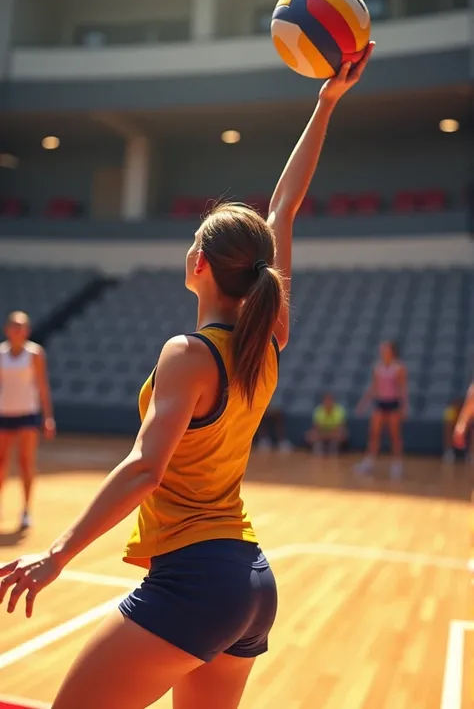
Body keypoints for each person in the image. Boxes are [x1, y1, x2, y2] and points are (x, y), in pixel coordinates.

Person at [0, 47, 374, 709]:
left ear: (199, 262)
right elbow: (283, 210)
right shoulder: (270, 338)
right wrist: (326, 103)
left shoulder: (189, 352)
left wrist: (56, 555)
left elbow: (147, 467)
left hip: (196, 579)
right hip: (249, 582)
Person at [0, 311, 55, 530]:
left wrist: (47, 417)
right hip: (4, 413)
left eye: (22, 326)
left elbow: (42, 386)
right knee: (1, 463)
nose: (18, 330)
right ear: (7, 329)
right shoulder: (0, 354)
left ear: (27, 330)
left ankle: (25, 510)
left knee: (25, 463)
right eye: (14, 326)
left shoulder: (35, 353)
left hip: (28, 414)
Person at [355, 340, 408, 480]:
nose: (383, 352)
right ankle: (369, 463)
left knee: (395, 436)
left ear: (392, 351)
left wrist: (404, 406)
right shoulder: (377, 367)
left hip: (393, 404)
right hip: (380, 403)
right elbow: (374, 387)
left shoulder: (399, 368)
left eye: (386, 349)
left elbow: (402, 388)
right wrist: (363, 403)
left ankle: (397, 465)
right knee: (374, 434)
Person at [443, 397, 464, 462]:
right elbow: (448, 425)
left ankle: (471, 454)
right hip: (455, 430)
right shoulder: (451, 411)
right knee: (448, 431)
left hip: (464, 429)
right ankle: (448, 451)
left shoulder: (468, 410)